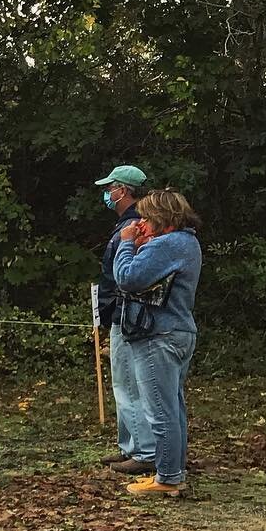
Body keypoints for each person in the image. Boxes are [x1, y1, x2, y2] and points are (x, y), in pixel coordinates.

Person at [112, 189, 203, 497]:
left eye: (148, 218)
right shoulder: (188, 243)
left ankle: (167, 476)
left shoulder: (166, 244)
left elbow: (127, 278)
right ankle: (174, 471)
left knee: (160, 411)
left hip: (157, 335)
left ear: (164, 219)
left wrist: (126, 243)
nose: (143, 223)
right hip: (179, 331)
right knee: (173, 408)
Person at [93, 164, 154, 474]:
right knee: (124, 382)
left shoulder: (135, 226)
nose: (107, 193)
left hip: (127, 314)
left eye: (110, 188)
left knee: (128, 383)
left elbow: (125, 275)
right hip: (120, 312)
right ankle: (129, 446)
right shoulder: (126, 225)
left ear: (124, 191)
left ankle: (143, 452)